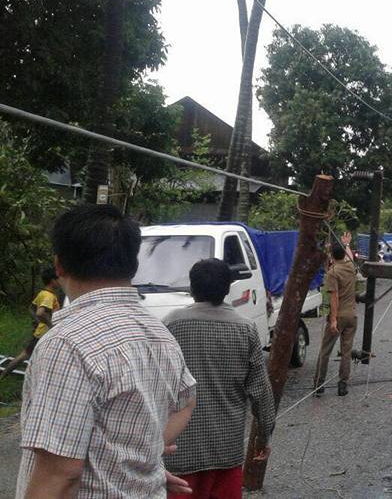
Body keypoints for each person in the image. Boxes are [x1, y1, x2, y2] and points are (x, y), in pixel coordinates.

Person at [16, 205, 197, 498]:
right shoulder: (159, 332)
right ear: (133, 265)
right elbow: (187, 401)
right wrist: (140, 455)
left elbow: (60, 474)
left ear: (59, 266)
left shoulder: (67, 343)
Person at [161, 258, 274, 499]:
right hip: (226, 453)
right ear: (227, 289)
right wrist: (263, 437)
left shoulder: (170, 325)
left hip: (179, 452)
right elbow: (261, 393)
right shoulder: (245, 329)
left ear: (192, 289)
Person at [313, 242, 358, 397]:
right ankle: (343, 384)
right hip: (352, 315)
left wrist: (333, 320)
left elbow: (334, 297)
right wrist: (347, 244)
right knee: (346, 351)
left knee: (325, 350)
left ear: (331, 255)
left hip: (338, 316)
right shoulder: (350, 267)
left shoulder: (332, 272)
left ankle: (319, 385)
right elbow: (350, 257)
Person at [0, 269, 59, 381]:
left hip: (41, 331)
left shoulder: (43, 293)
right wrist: (51, 325)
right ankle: (3, 376)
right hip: (44, 333)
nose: (60, 282)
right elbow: (40, 312)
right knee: (24, 356)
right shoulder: (49, 296)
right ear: (52, 281)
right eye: (58, 279)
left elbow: (31, 308)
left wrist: (37, 321)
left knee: (30, 355)